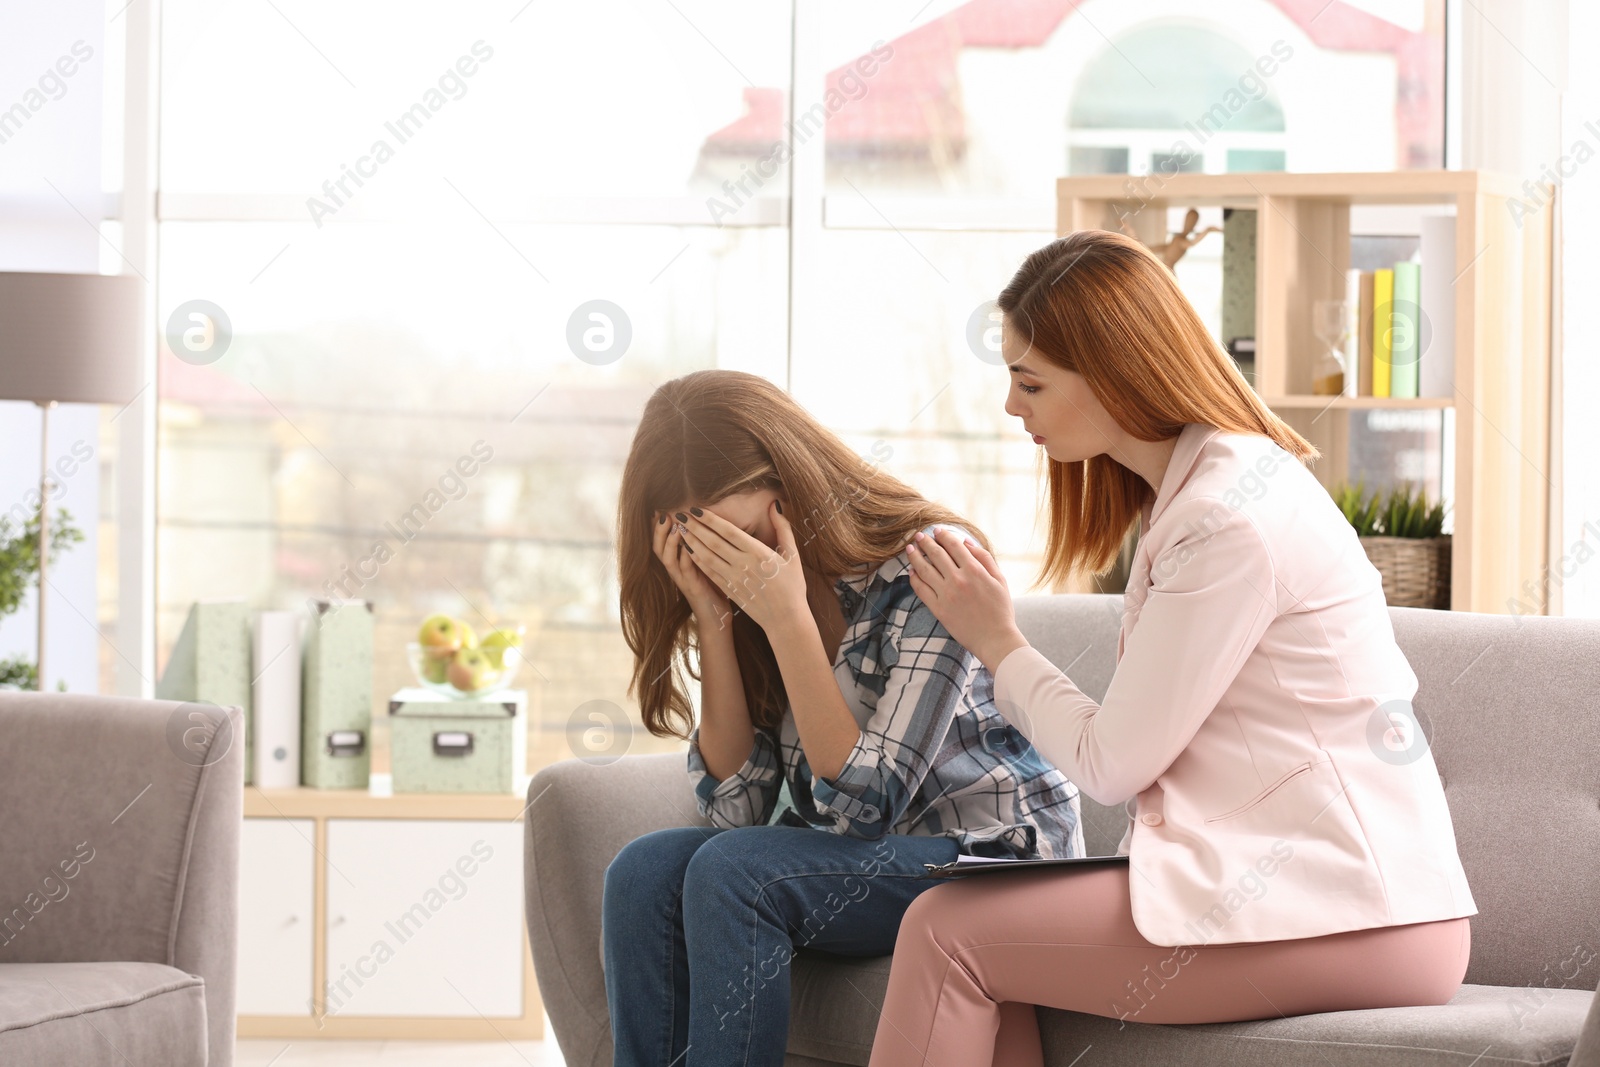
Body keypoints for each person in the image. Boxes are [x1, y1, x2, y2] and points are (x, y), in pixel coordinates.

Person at [868, 229, 1477, 1067]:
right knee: (974, 929)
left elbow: (1112, 764)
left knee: (946, 932)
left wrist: (998, 641)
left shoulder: (1227, 516)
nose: (1013, 406)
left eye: (1030, 380)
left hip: (1364, 915)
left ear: (1116, 374)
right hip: (1342, 902)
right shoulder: (1206, 489)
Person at [603, 369, 1084, 1067]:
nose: (733, 566)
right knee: (642, 873)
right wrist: (714, 617)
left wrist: (785, 614)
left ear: (790, 492)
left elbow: (866, 806)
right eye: (704, 549)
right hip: (868, 860)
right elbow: (737, 812)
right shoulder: (743, 594)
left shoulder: (929, 564)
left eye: (739, 539)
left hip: (991, 855)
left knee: (738, 874)